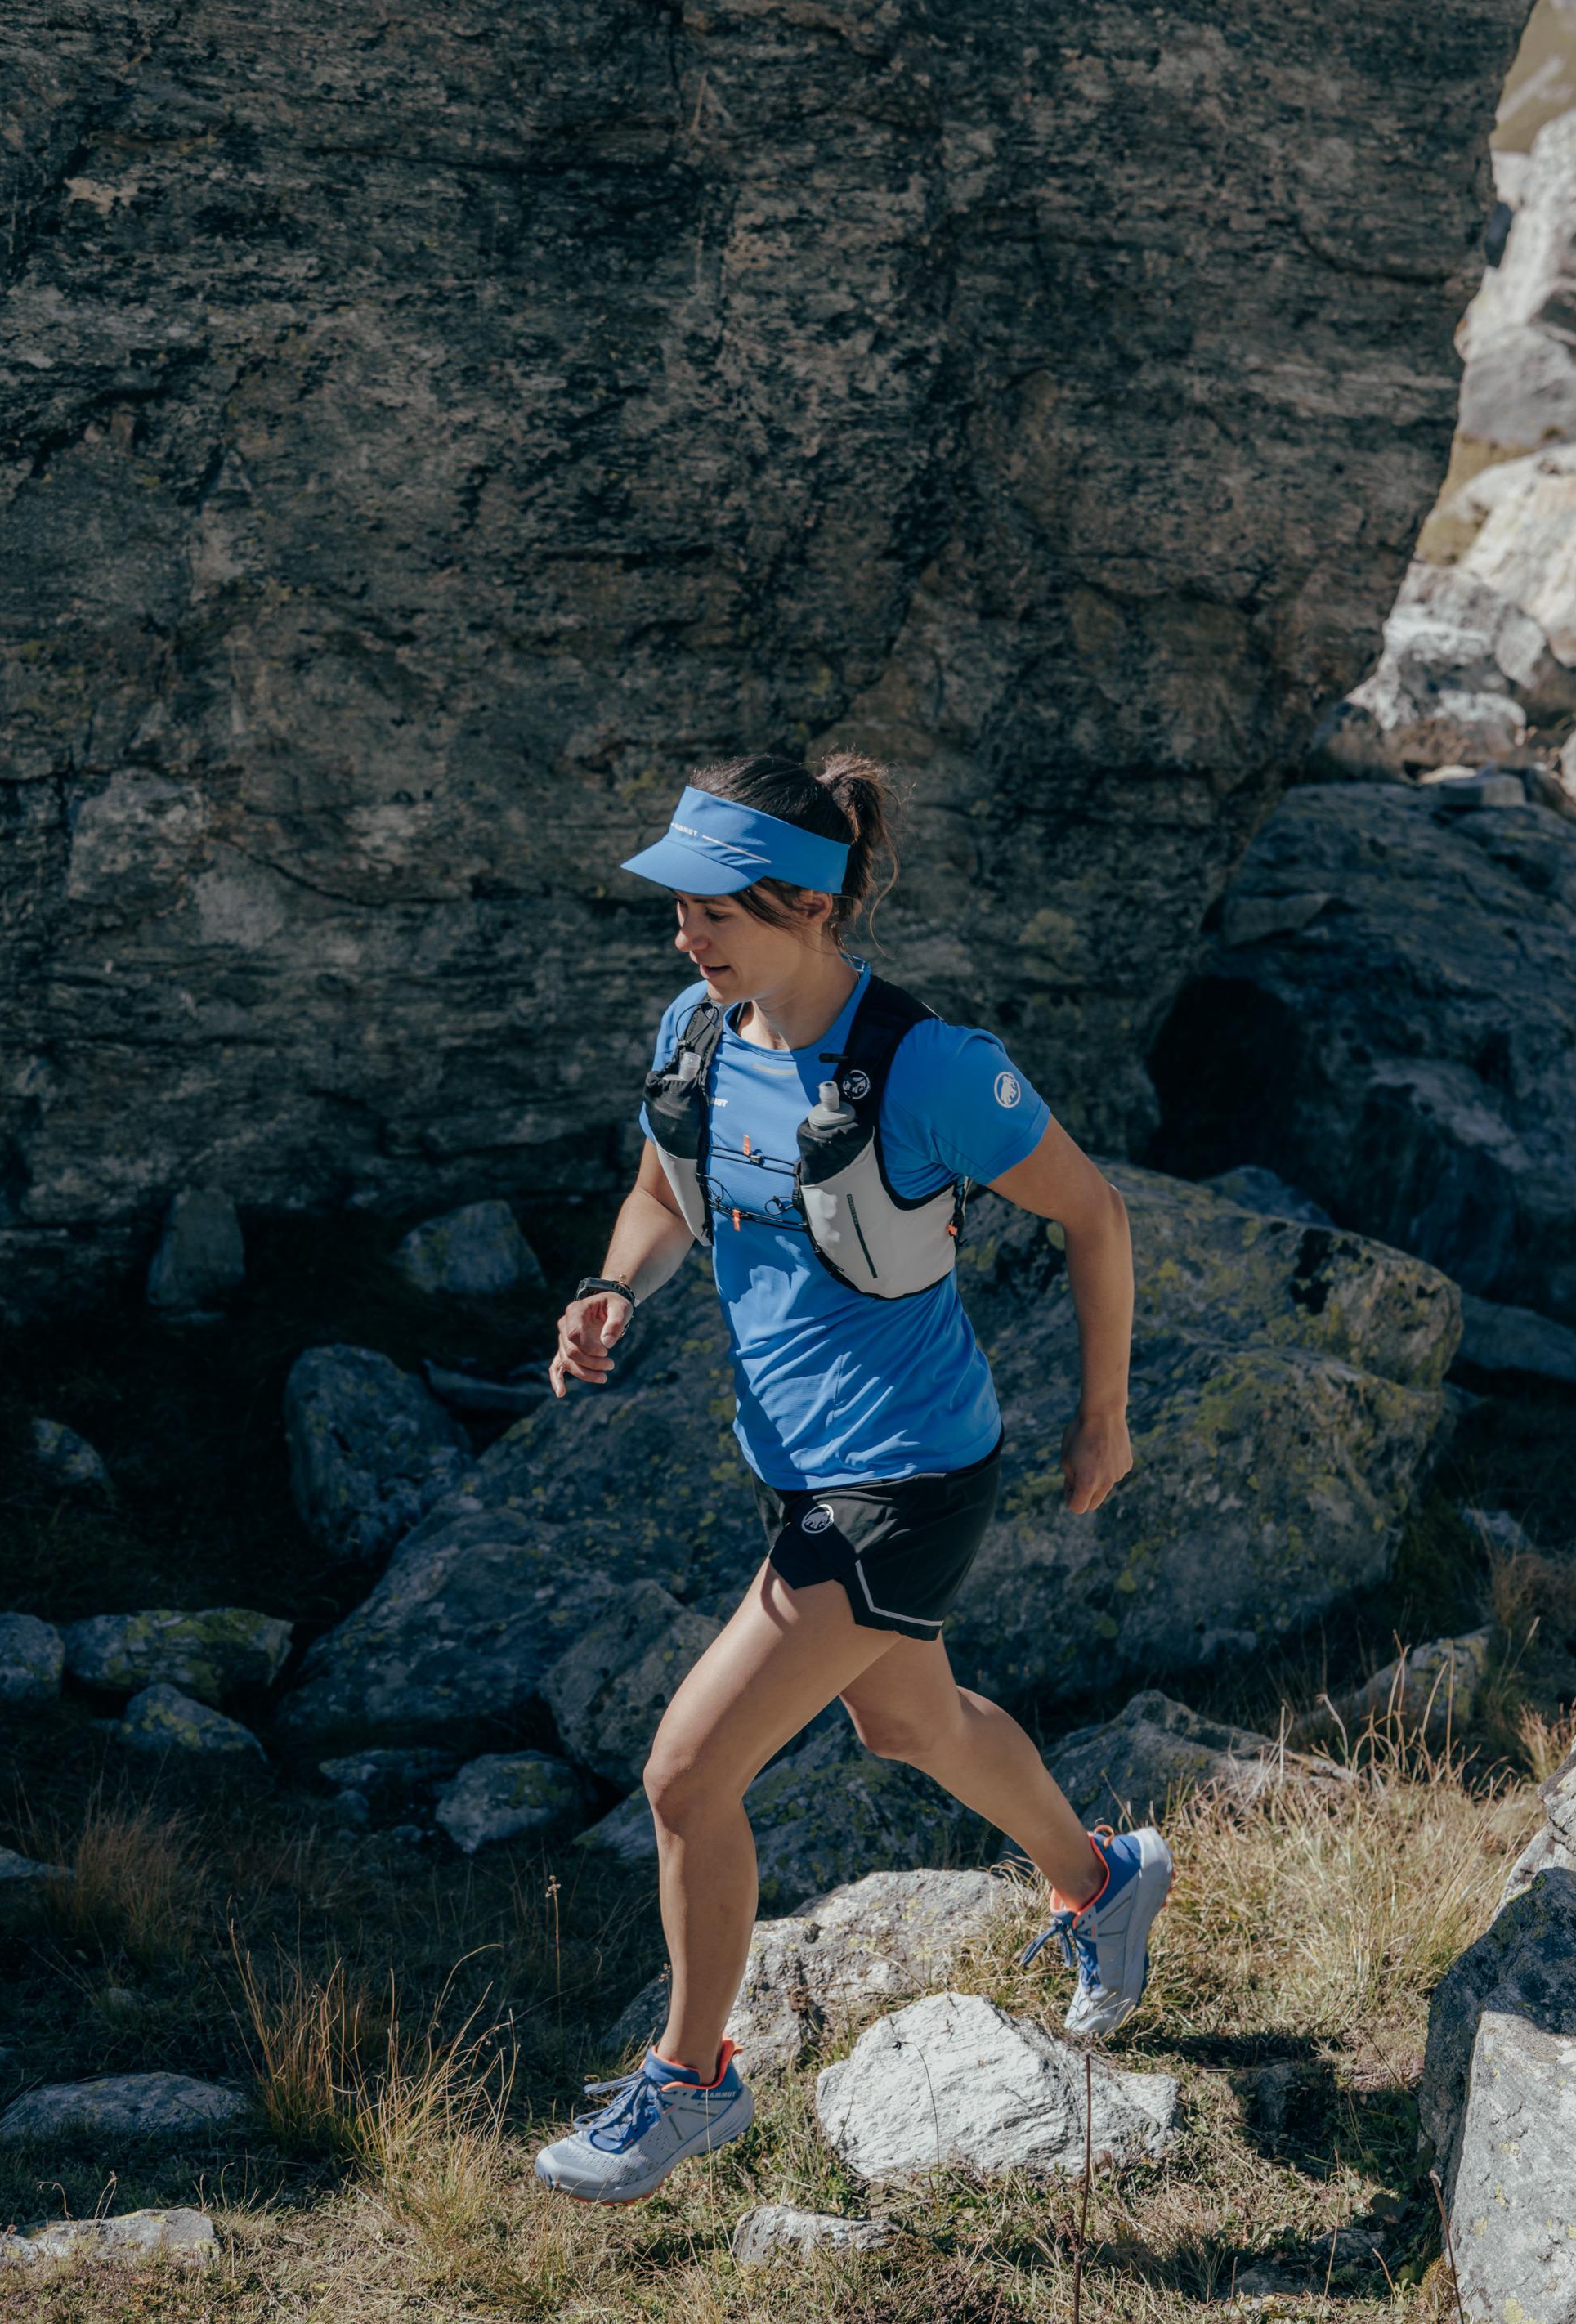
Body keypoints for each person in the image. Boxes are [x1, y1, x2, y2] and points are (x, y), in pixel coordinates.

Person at [531, 749, 1170, 2206]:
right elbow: (656, 1194)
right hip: (797, 1468)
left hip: (905, 1481)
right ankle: (1103, 1879)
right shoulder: (699, 1031)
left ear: (805, 908)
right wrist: (613, 1289)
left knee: (687, 1776)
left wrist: (1106, 1414)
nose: (682, 936)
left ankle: (693, 2082)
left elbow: (1093, 1213)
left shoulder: (934, 1071)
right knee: (910, 1723)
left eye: (710, 913)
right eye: (680, 912)